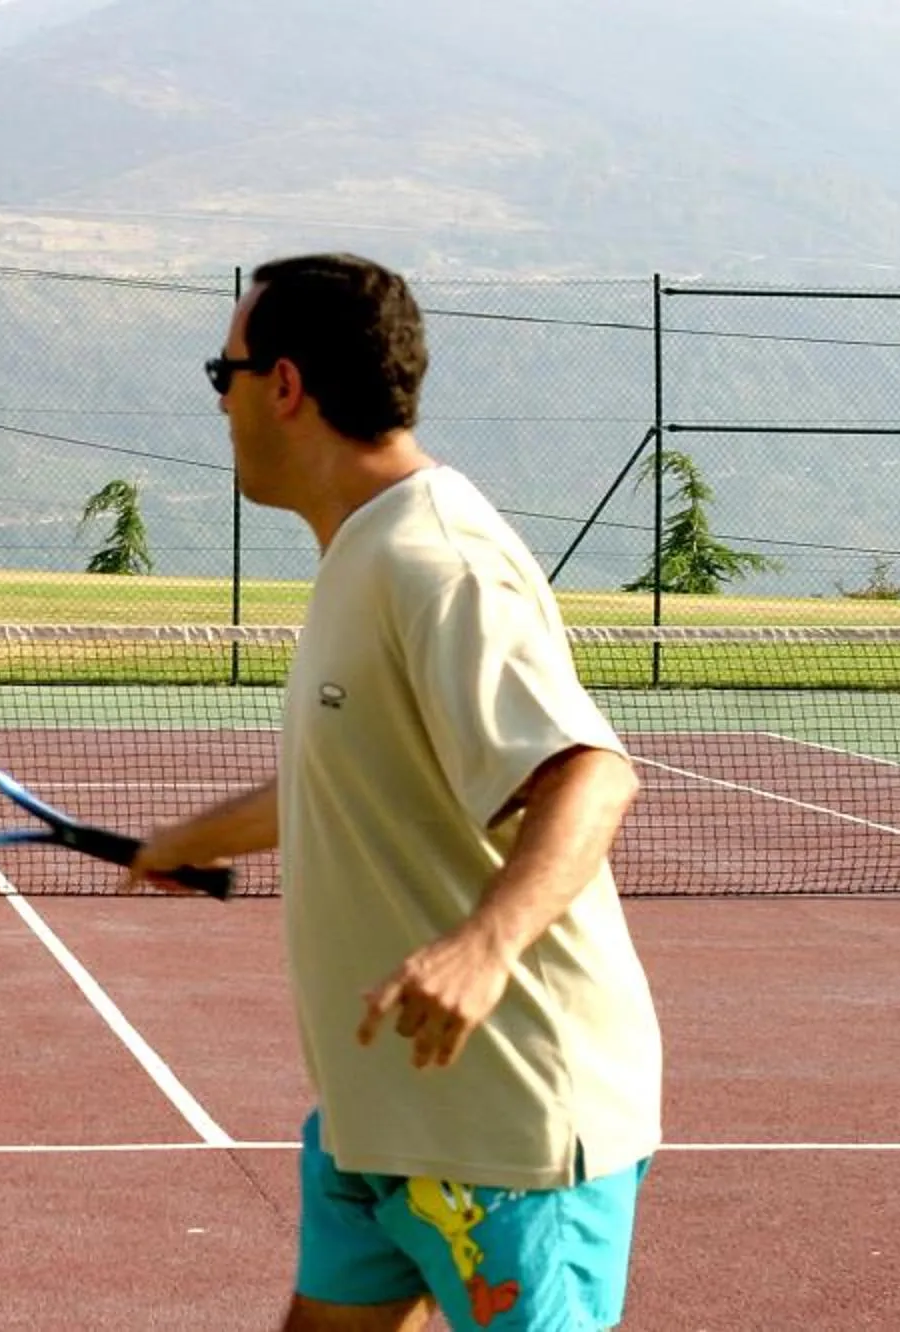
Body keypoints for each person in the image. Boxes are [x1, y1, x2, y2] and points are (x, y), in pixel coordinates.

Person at [128, 254, 660, 1332]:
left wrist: (485, 946)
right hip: (378, 1121)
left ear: (284, 386)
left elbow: (589, 774)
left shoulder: (439, 558)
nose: (219, 403)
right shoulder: (362, 554)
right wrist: (194, 835)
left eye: (220, 373)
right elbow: (353, 769)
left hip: (503, 1131)